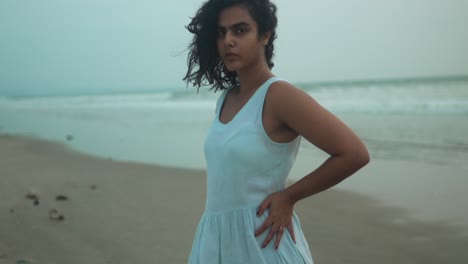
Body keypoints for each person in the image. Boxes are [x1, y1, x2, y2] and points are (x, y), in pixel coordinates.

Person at [183, 0, 370, 263]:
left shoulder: (279, 95)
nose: (228, 41)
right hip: (217, 242)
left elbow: (354, 153)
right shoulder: (225, 99)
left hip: (263, 242)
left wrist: (289, 197)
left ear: (265, 35)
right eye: (220, 32)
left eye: (240, 30)